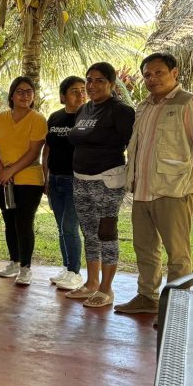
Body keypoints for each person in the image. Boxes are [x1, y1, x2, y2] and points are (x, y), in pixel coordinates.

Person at [116, 52, 193, 315]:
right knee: (145, 249)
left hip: (174, 191)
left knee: (177, 254)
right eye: (147, 74)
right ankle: (147, 297)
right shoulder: (144, 107)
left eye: (159, 72)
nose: (152, 78)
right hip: (142, 191)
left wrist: (182, 179)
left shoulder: (189, 103)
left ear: (175, 73)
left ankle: (176, 307)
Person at [65, 63, 136, 308]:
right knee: (89, 234)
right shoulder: (85, 109)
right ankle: (91, 283)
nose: (92, 85)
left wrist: (133, 176)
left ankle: (106, 288)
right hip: (81, 181)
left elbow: (132, 146)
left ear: (111, 84)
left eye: (99, 81)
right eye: (89, 80)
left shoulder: (120, 110)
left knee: (106, 234)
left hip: (107, 182)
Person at [0, 76, 48, 286]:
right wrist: (0, 171)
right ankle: (14, 261)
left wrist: (11, 171)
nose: (25, 96)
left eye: (29, 92)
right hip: (4, 180)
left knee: (24, 222)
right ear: (12, 95)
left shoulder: (38, 119)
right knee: (9, 222)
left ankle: (25, 267)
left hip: (29, 180)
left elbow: (34, 152)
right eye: (20, 91)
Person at [42, 76, 87, 292]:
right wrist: (46, 177)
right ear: (63, 96)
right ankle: (66, 267)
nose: (80, 94)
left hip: (75, 181)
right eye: (74, 91)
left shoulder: (88, 118)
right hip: (55, 179)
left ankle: (75, 272)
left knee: (70, 226)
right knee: (61, 228)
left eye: (82, 90)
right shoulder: (55, 117)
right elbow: (47, 149)